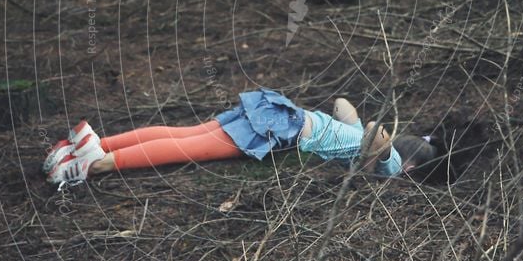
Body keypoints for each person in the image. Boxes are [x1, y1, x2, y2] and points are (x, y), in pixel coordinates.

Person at [43, 88, 440, 187]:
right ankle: (92, 164)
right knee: (186, 147)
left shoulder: (350, 136)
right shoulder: (388, 167)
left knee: (186, 133)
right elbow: (374, 135)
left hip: (281, 111)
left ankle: (91, 140)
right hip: (282, 128)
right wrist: (377, 151)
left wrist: (359, 134)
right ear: (408, 164)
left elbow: (341, 104)